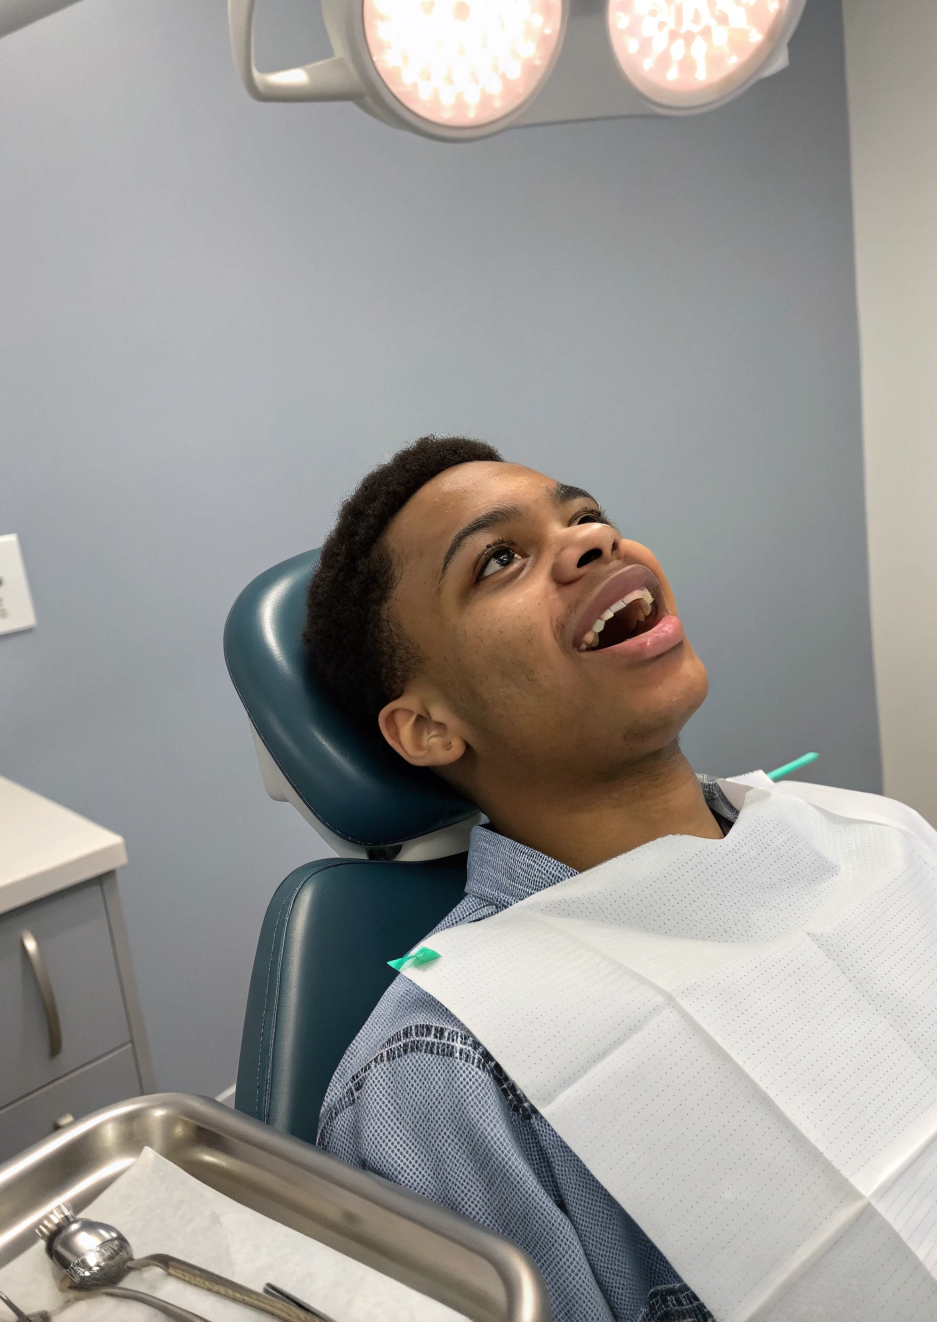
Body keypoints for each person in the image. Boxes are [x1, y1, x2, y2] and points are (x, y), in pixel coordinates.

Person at [305, 434, 734, 1322]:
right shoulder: (445, 1086)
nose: (594, 541)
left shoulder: (864, 834)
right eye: (499, 560)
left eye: (584, 515)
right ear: (427, 728)